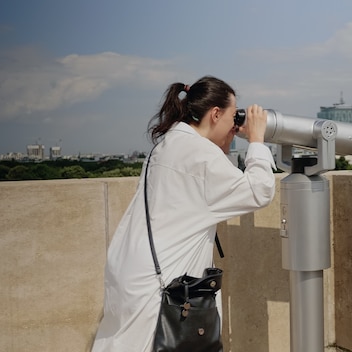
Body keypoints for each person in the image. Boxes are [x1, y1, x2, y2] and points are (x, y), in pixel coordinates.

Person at [91, 76, 276, 351]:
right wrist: (257, 140)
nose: (234, 127)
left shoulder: (168, 144)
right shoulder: (199, 154)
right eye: (231, 117)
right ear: (215, 114)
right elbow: (259, 190)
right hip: (164, 280)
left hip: (132, 269)